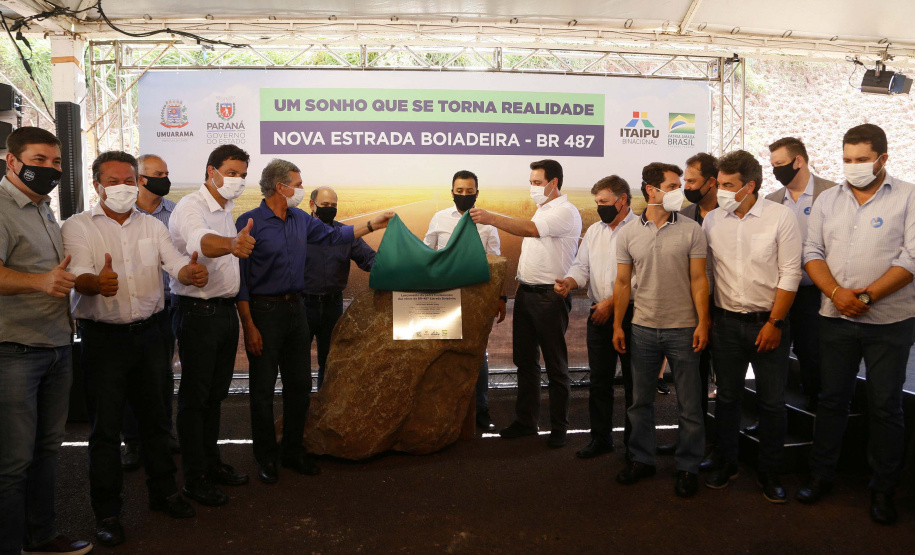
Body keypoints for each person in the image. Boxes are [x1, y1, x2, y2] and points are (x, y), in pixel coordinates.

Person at [63, 151, 208, 547]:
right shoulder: (77, 225)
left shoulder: (152, 225)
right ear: (97, 185)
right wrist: (95, 283)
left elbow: (174, 263)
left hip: (151, 336)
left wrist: (189, 272)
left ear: (137, 182)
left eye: (128, 180)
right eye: (112, 181)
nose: (122, 187)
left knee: (157, 421)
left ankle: (164, 493)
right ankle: (108, 512)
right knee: (106, 430)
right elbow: (78, 273)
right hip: (103, 340)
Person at [237, 159, 394, 484]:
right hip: (265, 312)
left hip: (296, 310)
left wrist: (372, 225)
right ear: (280, 187)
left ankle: (293, 451)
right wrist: (248, 325)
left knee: (299, 385)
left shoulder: (300, 219)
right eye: (297, 184)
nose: (301, 188)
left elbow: (336, 236)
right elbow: (240, 279)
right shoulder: (250, 221)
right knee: (263, 388)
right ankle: (266, 456)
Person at [797, 124, 915, 525]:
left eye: (862, 159)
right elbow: (812, 252)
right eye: (847, 159)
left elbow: (911, 259)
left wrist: (865, 298)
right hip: (834, 318)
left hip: (890, 322)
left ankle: (883, 488)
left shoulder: (908, 197)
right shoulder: (828, 200)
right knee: (831, 400)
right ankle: (821, 474)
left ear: (883, 158)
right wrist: (836, 293)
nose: (853, 166)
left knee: (885, 405)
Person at [0, 127, 92, 555]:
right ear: (12, 161)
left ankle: (40, 535)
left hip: (56, 345)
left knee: (48, 451)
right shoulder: (2, 207)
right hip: (14, 350)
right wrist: (40, 282)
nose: (50, 169)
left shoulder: (43, 208)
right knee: (13, 462)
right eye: (39, 161)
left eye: (56, 162)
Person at [701, 150, 802, 503]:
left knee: (772, 402)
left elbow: (790, 273)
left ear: (750, 186)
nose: (721, 191)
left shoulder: (780, 217)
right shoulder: (713, 220)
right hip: (726, 323)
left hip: (769, 323)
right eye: (719, 184)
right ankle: (726, 462)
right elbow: (708, 272)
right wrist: (707, 318)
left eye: (729, 185)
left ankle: (770, 470)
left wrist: (775, 322)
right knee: (727, 398)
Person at [612, 162, 709, 498]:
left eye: (679, 186)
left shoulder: (692, 230)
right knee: (639, 401)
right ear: (651, 190)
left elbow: (699, 279)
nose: (679, 192)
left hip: (684, 328)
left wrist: (703, 322)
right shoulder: (628, 233)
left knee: (690, 405)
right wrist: (618, 325)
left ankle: (688, 466)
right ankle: (641, 459)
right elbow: (622, 283)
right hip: (642, 328)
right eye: (672, 186)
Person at [470, 160, 582, 448]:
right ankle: (526, 421)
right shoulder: (543, 208)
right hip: (527, 294)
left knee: (555, 365)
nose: (532, 187)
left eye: (537, 182)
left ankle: (559, 427)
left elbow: (531, 230)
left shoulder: (565, 211)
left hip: (550, 296)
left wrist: (491, 218)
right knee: (525, 362)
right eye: (531, 182)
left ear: (553, 182)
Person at [168, 144, 254, 508]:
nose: (238, 180)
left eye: (243, 175)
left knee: (215, 395)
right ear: (211, 171)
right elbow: (199, 241)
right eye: (232, 172)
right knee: (195, 399)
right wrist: (232, 244)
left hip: (222, 313)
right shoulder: (192, 207)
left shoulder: (226, 209)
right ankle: (195, 477)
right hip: (198, 313)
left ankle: (210, 462)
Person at [554, 175, 636, 459]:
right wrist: (569, 282)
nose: (600, 207)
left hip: (632, 315)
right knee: (599, 381)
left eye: (604, 202)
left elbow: (641, 276)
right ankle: (600, 439)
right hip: (598, 314)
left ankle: (634, 446)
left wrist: (613, 303)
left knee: (634, 384)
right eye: (597, 202)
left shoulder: (640, 229)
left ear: (622, 200)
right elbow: (581, 266)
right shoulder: (594, 231)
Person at [424, 170, 505, 430]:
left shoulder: (488, 223)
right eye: (459, 191)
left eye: (469, 192)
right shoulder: (439, 218)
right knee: (441, 352)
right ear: (452, 192)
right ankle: (443, 410)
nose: (464, 195)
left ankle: (481, 409)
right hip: (443, 296)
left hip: (476, 298)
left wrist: (500, 297)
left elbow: (496, 262)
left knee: (477, 354)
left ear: (477, 193)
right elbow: (427, 252)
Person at [766, 137, 837, 412]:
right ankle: (772, 414)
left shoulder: (833, 194)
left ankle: (816, 412)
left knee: (813, 352)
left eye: (780, 164)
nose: (776, 170)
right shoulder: (772, 201)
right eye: (773, 165)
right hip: (781, 291)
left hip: (817, 290)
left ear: (799, 161)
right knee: (774, 354)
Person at [120, 154, 179, 471]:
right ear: (141, 179)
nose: (165, 179)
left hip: (168, 305)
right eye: (159, 174)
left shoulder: (175, 213)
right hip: (133, 307)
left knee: (162, 374)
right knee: (131, 375)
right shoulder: (124, 213)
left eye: (167, 173)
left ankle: (163, 433)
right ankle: (133, 441)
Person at [305, 186, 376, 390]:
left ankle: (324, 403)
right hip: (302, 305)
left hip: (332, 305)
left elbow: (370, 259)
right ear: (312, 205)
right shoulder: (299, 231)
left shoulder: (345, 234)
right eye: (325, 204)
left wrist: (396, 266)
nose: (329, 208)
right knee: (297, 360)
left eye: (333, 205)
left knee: (331, 361)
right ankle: (300, 406)